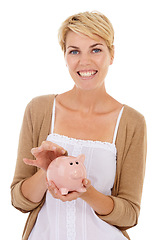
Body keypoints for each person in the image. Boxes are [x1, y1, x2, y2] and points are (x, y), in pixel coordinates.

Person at [11, 11, 147, 240]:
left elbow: (130, 215)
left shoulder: (132, 122)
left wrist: (87, 192)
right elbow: (19, 200)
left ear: (111, 54)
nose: (84, 62)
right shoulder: (39, 109)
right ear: (64, 56)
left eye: (96, 49)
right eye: (74, 51)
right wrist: (47, 172)